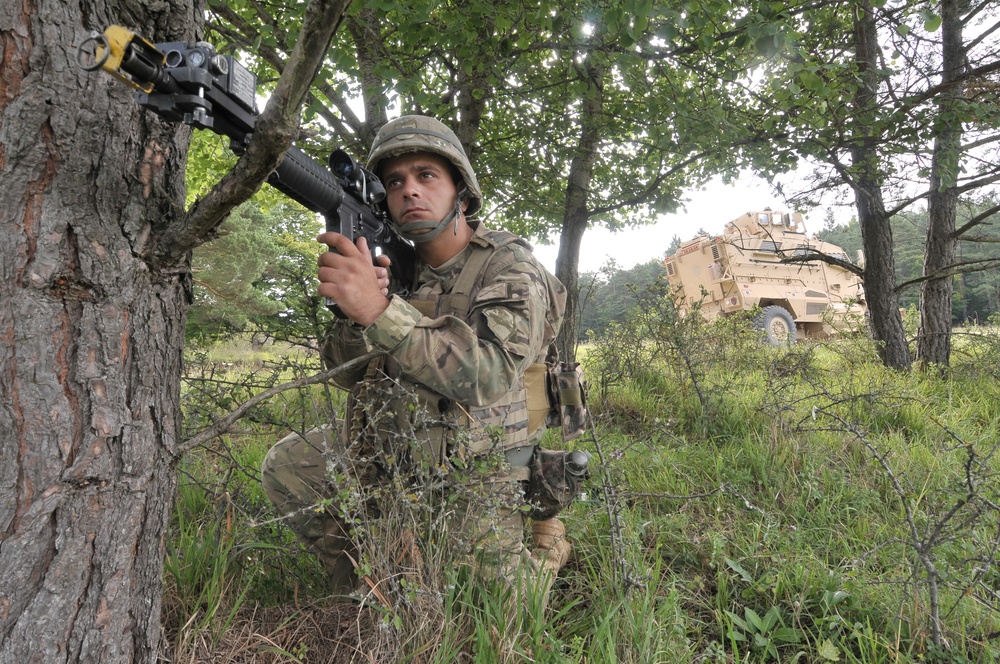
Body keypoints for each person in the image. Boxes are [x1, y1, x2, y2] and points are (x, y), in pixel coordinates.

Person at [261, 115, 570, 599]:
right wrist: (355, 314)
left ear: (461, 194)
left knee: (488, 611)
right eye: (395, 182)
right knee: (289, 465)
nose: (409, 190)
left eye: (426, 175)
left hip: (479, 463)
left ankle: (546, 549)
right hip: (394, 445)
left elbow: (488, 374)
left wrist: (381, 310)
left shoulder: (509, 265)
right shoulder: (396, 267)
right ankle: (366, 589)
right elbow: (348, 375)